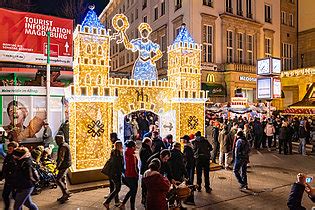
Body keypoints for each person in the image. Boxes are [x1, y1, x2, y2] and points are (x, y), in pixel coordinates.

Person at [103, 141, 124, 209]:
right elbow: (118, 165)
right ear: (119, 146)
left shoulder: (113, 152)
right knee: (117, 188)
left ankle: (116, 201)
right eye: (121, 145)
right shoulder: (118, 154)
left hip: (112, 173)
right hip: (116, 173)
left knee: (115, 187)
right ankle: (107, 202)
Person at [120, 141, 138, 210]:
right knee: (133, 191)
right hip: (132, 176)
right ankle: (132, 207)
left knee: (132, 190)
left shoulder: (126, 153)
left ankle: (123, 204)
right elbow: (134, 168)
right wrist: (137, 175)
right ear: (133, 147)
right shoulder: (132, 156)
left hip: (127, 175)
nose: (136, 146)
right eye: (135, 145)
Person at [55, 135, 72, 203]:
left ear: (59, 140)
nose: (56, 142)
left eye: (56, 140)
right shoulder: (65, 144)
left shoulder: (63, 146)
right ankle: (65, 194)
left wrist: (57, 166)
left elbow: (61, 158)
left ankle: (66, 193)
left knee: (58, 180)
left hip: (64, 165)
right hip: (66, 164)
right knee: (62, 179)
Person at [2, 141, 18, 210]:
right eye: (8, 148)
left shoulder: (16, 158)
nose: (8, 150)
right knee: (5, 195)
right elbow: (5, 168)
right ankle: (7, 208)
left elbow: (16, 170)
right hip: (8, 180)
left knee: (15, 197)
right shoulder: (8, 156)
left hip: (13, 181)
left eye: (10, 149)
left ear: (14, 149)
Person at [139, 137, 153, 206]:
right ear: (147, 142)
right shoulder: (146, 150)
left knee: (144, 185)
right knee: (145, 185)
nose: (151, 144)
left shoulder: (143, 148)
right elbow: (147, 160)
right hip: (146, 169)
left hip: (144, 169)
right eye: (150, 143)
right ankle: (145, 200)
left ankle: (144, 199)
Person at [182, 135, 196, 205]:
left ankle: (189, 199)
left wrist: (184, 167)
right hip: (191, 167)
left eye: (183, 139)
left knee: (189, 183)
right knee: (190, 182)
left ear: (186, 140)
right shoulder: (190, 146)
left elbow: (186, 158)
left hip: (188, 168)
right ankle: (189, 198)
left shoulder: (187, 148)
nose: (182, 140)